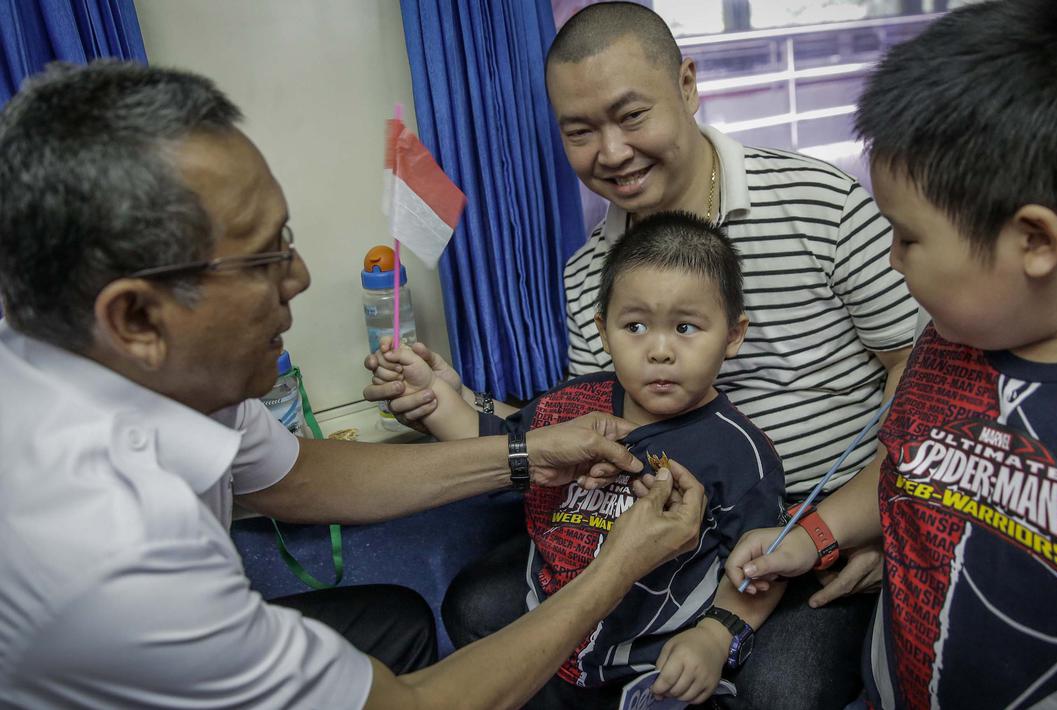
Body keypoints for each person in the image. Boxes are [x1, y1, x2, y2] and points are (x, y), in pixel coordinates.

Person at [0, 60, 708, 709]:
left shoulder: (135, 365)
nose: (299, 277)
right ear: (134, 316)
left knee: (394, 624)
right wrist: (615, 567)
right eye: (264, 258)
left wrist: (529, 452)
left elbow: (298, 476)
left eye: (290, 238)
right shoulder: (114, 558)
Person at [365, 3, 917, 705]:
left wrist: (868, 520)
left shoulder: (821, 204)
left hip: (811, 524)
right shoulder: (588, 274)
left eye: (631, 116)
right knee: (481, 602)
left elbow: (917, 371)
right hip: (661, 531)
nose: (612, 152)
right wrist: (451, 399)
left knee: (782, 688)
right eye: (580, 131)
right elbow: (584, 425)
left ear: (686, 86)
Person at [727, 1, 1057, 707]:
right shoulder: (947, 340)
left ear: (1033, 241)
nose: (892, 259)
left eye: (906, 237)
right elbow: (912, 471)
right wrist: (811, 534)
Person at [376, 212, 787, 707]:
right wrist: (434, 399)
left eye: (685, 327)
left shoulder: (741, 452)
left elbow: (762, 565)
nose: (659, 350)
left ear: (733, 335)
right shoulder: (566, 406)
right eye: (635, 326)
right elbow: (495, 445)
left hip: (653, 660)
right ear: (603, 330)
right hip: (549, 627)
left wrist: (716, 636)